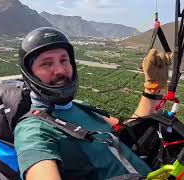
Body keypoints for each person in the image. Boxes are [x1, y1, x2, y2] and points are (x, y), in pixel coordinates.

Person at [14, 27, 173, 180]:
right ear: (29, 74)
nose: (60, 70)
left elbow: (129, 130)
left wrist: (152, 88)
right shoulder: (32, 131)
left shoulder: (79, 106)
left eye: (64, 60)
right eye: (46, 63)